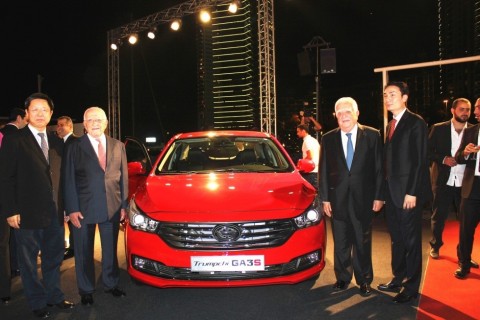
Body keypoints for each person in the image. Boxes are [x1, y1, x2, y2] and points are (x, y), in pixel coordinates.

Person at [0, 93, 74, 318]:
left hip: (54, 212)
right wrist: (10, 210)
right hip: (26, 214)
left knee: (53, 258)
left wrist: (67, 208)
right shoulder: (14, 139)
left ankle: (54, 296)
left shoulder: (56, 141)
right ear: (27, 113)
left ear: (51, 114)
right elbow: (5, 177)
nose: (40, 113)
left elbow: (62, 178)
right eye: (35, 109)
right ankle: (37, 301)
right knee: (29, 262)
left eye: (45, 110)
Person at [63, 106, 128, 306]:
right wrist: (72, 209)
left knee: (110, 251)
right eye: (91, 120)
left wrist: (124, 205)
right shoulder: (74, 147)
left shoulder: (118, 146)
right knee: (83, 252)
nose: (95, 123)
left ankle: (111, 284)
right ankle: (86, 290)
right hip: (83, 210)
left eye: (99, 120)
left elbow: (123, 178)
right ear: (84, 125)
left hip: (112, 207)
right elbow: (68, 180)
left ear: (106, 123)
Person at [319, 97, 384, 296]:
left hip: (364, 199)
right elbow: (323, 170)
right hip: (336, 200)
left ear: (357, 114)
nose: (344, 116)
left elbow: (380, 169)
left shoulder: (372, 135)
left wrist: (379, 196)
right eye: (339, 113)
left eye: (348, 111)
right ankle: (343, 278)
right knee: (341, 242)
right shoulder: (328, 138)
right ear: (335, 116)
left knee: (362, 241)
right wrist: (325, 198)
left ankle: (364, 280)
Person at [377, 81, 432, 303]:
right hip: (392, 192)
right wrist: (381, 193)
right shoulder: (390, 125)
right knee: (396, 238)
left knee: (410, 241)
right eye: (385, 95)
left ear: (405, 97)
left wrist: (412, 192)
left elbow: (420, 161)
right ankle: (398, 278)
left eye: (393, 94)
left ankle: (411, 286)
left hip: (409, 193)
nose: (388, 98)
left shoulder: (415, 123)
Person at [428, 98, 478, 264]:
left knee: (466, 221)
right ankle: (435, 246)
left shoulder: (474, 130)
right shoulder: (438, 128)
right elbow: (427, 152)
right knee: (439, 215)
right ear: (453, 110)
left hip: (465, 182)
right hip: (443, 179)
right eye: (462, 109)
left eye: (468, 110)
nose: (465, 113)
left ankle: (463, 255)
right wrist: (443, 159)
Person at [453, 97, 480, 279]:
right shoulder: (471, 131)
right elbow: (458, 156)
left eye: (477, 107)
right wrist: (466, 153)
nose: (475, 111)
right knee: (466, 229)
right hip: (472, 186)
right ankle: (464, 262)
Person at [0, 107, 28, 279]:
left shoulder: (2, 134)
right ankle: (17, 266)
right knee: (17, 236)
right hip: (15, 197)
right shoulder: (16, 137)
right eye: (25, 119)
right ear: (19, 118)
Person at [56, 116, 77, 260]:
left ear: (70, 127)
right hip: (64, 190)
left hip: (74, 190)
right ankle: (72, 248)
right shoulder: (61, 143)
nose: (58, 128)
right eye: (57, 125)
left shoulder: (75, 142)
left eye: (62, 125)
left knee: (74, 222)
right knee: (69, 222)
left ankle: (75, 249)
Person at [296, 123, 320, 189]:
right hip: (317, 170)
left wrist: (300, 164)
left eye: (298, 131)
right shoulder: (314, 140)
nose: (297, 133)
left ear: (303, 131)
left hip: (309, 171)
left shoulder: (307, 141)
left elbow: (310, 156)